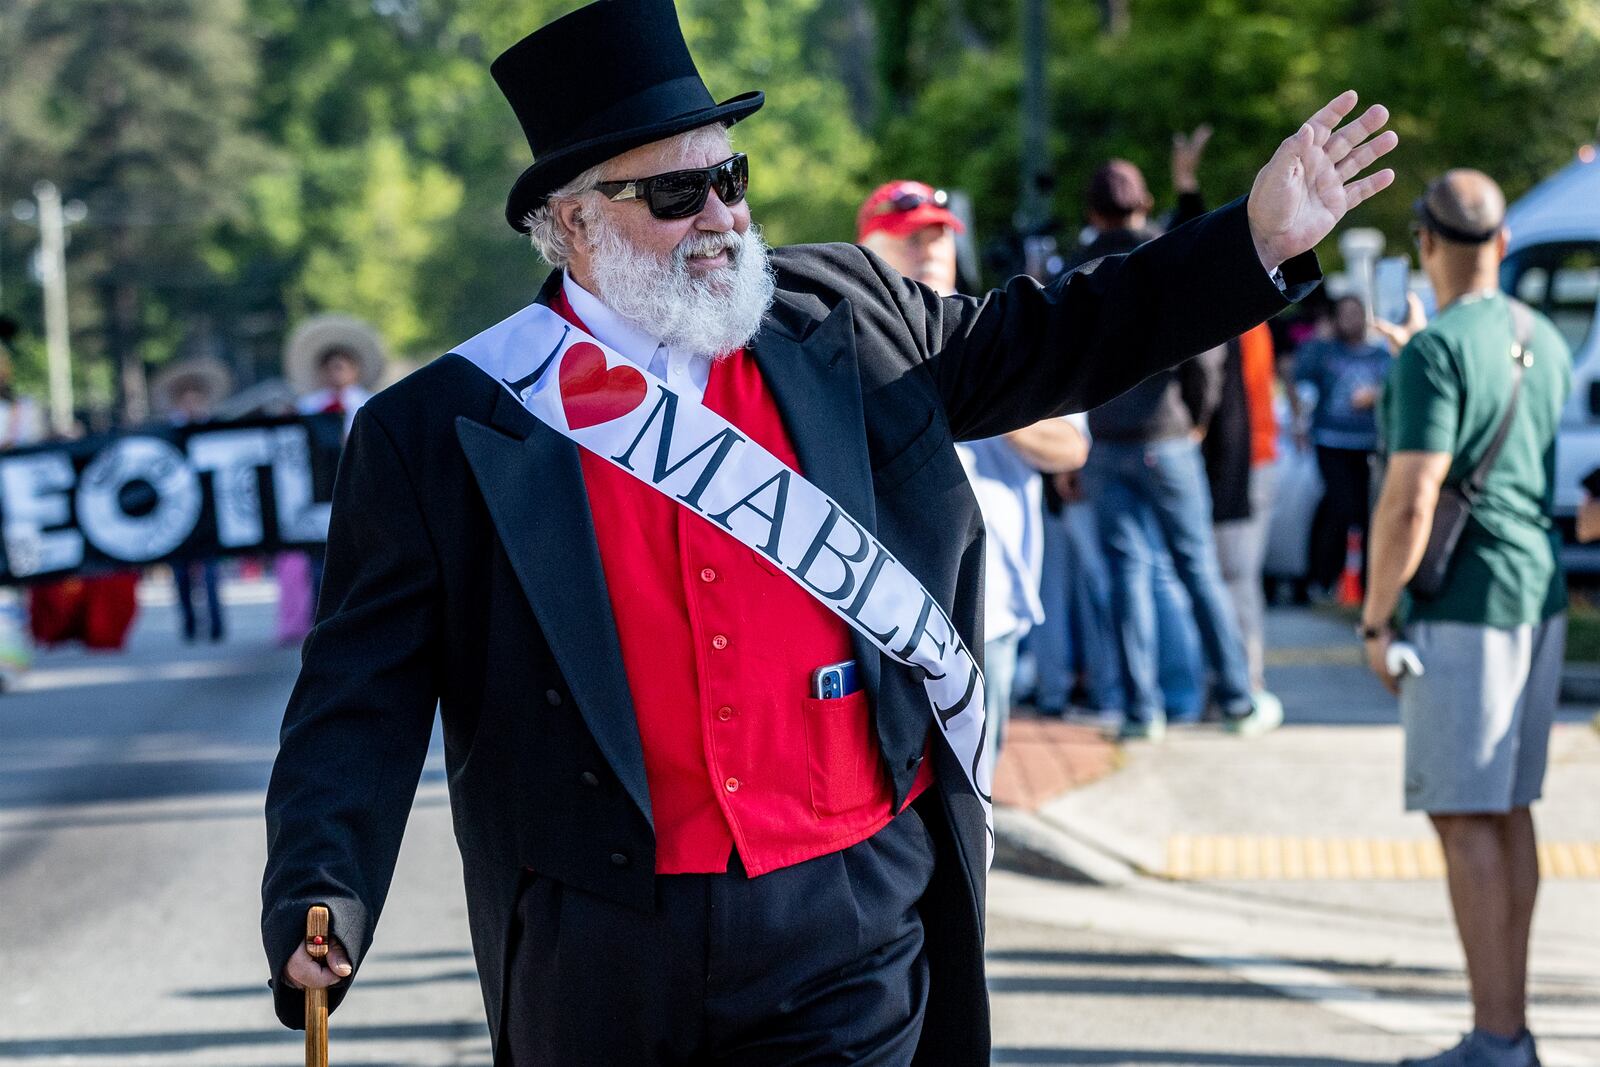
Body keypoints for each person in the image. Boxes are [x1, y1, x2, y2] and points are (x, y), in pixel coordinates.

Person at [261, 2, 1394, 1060]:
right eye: (677, 195)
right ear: (572, 221)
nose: (722, 218)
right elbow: (358, 694)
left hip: (847, 907)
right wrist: (323, 883)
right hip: (601, 938)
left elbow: (1055, 337)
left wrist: (1248, 239)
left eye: (729, 178)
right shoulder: (444, 427)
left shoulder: (845, 314)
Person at [1362, 170, 1570, 1067]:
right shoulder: (1543, 337)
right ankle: (1507, 1026)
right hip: (1540, 593)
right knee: (1510, 810)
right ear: (1505, 244)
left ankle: (1498, 1037)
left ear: (1425, 243)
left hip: (1464, 605)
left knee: (1462, 817)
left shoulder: (1431, 354)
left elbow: (1412, 499)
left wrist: (1375, 619)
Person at [856, 181, 1089, 774]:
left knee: (975, 788)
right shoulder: (839, 344)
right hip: (879, 611)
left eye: (940, 234)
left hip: (992, 608)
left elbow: (1071, 447)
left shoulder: (995, 331)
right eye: (910, 237)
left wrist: (979, 395)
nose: (930, 247)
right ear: (866, 248)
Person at [1076, 158, 1280, 741]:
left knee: (1127, 578)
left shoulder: (1075, 265)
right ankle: (1239, 699)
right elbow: (1208, 348)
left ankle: (1143, 712)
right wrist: (1197, 416)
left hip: (1106, 441)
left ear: (1092, 212)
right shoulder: (1166, 255)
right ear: (1143, 204)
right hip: (1167, 440)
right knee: (1198, 570)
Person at [1292, 292, 1391, 593]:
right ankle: (1323, 579)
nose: (1350, 320)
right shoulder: (1324, 352)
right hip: (1331, 441)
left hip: (1367, 444)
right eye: (1344, 314)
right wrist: (1300, 422)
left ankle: (1364, 586)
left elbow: (1396, 390)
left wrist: (1375, 396)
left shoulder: (1380, 357)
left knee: (1366, 513)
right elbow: (1298, 379)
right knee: (1339, 507)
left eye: (1356, 313)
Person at [1203, 322, 1280, 694]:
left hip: (1245, 461)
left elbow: (1240, 399)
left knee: (1236, 577)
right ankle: (1234, 678)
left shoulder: (1245, 318)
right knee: (1227, 578)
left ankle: (1245, 681)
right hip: (1236, 459)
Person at [153, 357, 234, 643]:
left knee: (212, 570)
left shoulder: (215, 428)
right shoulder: (165, 433)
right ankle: (189, 623)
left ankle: (216, 624)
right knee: (182, 574)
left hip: (211, 512)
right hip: (176, 512)